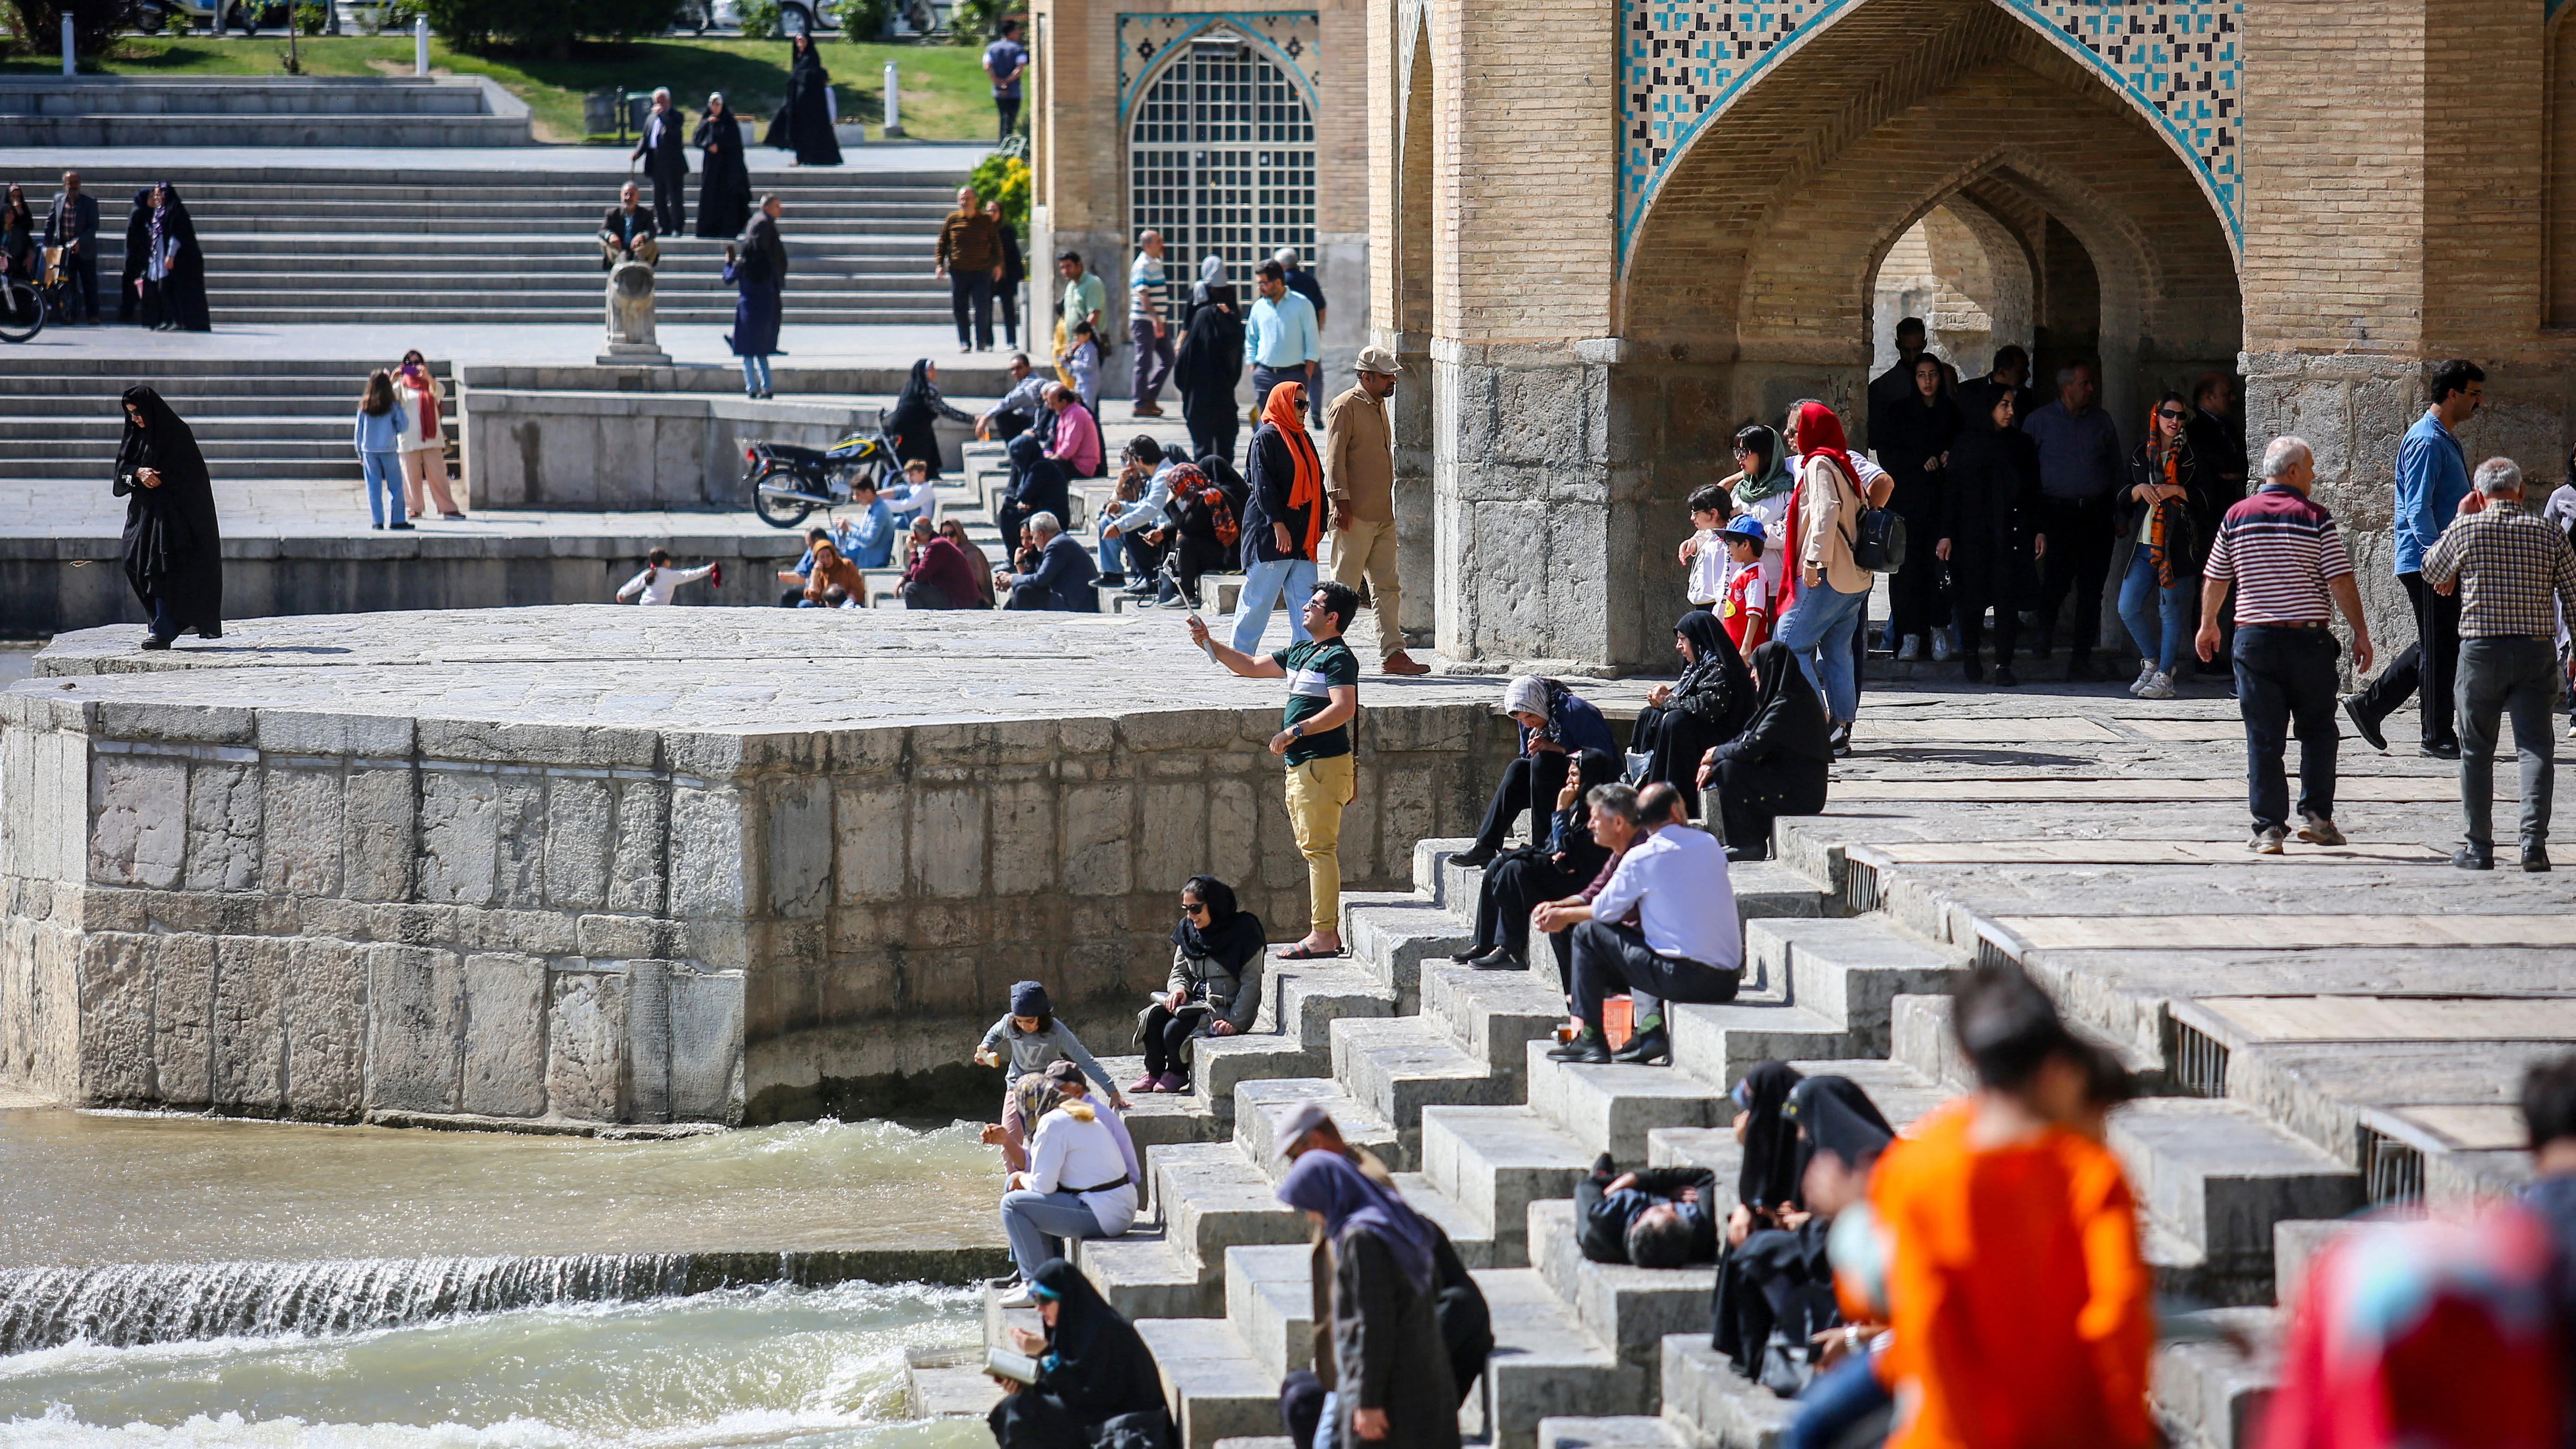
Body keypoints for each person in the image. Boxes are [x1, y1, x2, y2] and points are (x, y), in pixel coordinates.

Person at [1864, 962, 2154, 1449]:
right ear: (2052, 1060)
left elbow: (1919, 1320)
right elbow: (2117, 1317)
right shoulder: (2088, 1174)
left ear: (1965, 1054)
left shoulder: (1912, 1168)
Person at [2196, 436, 2375, 854]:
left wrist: (2208, 625)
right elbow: (2340, 579)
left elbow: (2217, 577)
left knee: (2263, 737)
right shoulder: (2314, 517)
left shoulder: (2236, 516)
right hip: (2306, 640)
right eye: (2310, 468)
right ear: (2292, 472)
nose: (2313, 476)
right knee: (2316, 730)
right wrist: (2359, 631)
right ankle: (2316, 819)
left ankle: (2268, 830)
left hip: (2254, 640)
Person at [1188, 582, 1364, 959]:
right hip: (1303, 765)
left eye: (1314, 605)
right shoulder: (1302, 651)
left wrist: (1294, 731)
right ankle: (1323, 931)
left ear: (1332, 618)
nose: (1305, 608)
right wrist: (1209, 643)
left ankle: (1323, 934)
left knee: (1319, 850)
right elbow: (1250, 667)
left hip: (1321, 763)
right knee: (1313, 848)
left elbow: (1344, 708)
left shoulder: (1338, 658)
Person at [2422, 457, 2576, 872]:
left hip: (2481, 653)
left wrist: (2457, 519)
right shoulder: (2547, 532)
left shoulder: (2467, 528)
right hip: (2534, 650)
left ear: (2478, 494)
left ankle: (2479, 848)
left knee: (2475, 750)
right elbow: (2572, 595)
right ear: (2521, 491)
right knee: (2535, 747)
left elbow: (2430, 568)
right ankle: (2533, 846)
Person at [1710, 1075, 1894, 1391]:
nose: (1800, 1137)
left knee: (1761, 1251)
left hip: (1883, 1323)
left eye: (1803, 1129)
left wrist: (1809, 1225)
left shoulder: (1884, 1170)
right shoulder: (1831, 1157)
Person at [1543, 781, 1743, 1067]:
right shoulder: (1709, 844)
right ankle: (1649, 1032)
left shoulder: (1641, 857)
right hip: (1727, 981)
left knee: (1588, 933)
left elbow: (1604, 913)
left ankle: (1589, 1037)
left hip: (1686, 980)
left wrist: (1563, 917)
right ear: (1676, 811)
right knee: (1649, 941)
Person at [1275, 1148, 1463, 1449]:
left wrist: (1368, 1401)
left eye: (1309, 1205)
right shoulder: (1391, 1219)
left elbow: (1373, 1324)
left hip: (1392, 1396)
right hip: (1422, 1382)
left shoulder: (1361, 1240)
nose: (1311, 1215)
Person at [2345, 359, 2484, 761]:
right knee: (2441, 648)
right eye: (2473, 393)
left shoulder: (2443, 437)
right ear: (2452, 394)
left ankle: (2370, 706)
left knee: (2437, 642)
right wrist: (2438, 559)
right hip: (2429, 561)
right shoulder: (2426, 440)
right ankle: (2435, 735)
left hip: (2440, 558)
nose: (2479, 402)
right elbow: (2417, 510)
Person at [1455, 748, 1620, 971]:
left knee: (1516, 869)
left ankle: (1510, 949)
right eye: (1569, 775)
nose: (1569, 781)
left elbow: (1566, 856)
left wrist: (1561, 811)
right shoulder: (1576, 806)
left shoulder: (1600, 815)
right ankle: (1484, 943)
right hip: (1562, 870)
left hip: (1578, 880)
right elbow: (1552, 846)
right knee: (1497, 865)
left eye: (1575, 776)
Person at [987, 1259, 1174, 1449]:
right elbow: (1067, 1388)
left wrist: (1045, 1354)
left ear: (1067, 1298)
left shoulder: (1106, 1333)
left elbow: (1089, 1396)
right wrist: (1023, 1386)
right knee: (1016, 1407)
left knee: (1021, 1410)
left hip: (1123, 1426)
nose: (1038, 1308)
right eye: (1035, 1299)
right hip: (1094, 1419)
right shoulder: (1070, 1332)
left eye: (1044, 1299)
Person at [1775, 401, 1876, 751]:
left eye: (1794, 428)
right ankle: (1840, 728)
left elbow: (1825, 512)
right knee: (1836, 652)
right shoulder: (1841, 462)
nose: (1788, 436)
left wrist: (1813, 561)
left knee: (1787, 643)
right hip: (1854, 577)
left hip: (1829, 572)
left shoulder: (1819, 463)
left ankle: (1816, 721)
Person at [996, 1062, 1143, 1301]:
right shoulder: (1075, 1112)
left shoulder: (1052, 1123)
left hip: (1104, 1213)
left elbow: (1044, 1186)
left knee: (1013, 1205)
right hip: (1116, 1207)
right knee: (1019, 1193)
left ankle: (1035, 1287)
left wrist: (1021, 1178)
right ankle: (1046, 1278)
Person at [1324, 345, 1426, 676]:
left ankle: (1393, 654)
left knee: (1387, 588)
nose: (1392, 380)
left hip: (1382, 515)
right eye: (1385, 376)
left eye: (1392, 375)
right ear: (1366, 377)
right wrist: (1340, 504)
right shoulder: (1345, 406)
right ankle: (1325, 652)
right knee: (1342, 591)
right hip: (1353, 516)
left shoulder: (1378, 405)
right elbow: (1335, 460)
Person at [2114, 392, 2221, 700]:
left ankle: (2164, 676)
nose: (2174, 421)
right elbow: (2122, 494)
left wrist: (2176, 489)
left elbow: (2207, 499)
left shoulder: (2191, 454)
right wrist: (2138, 490)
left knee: (2170, 610)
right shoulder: (2141, 454)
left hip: (2178, 546)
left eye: (2180, 416)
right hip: (2146, 543)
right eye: (2168, 415)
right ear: (2156, 417)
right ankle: (2153, 662)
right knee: (2128, 605)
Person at [2020, 361, 2123, 678]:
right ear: (2067, 388)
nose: (2091, 389)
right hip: (2055, 514)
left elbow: (2116, 469)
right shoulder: (2038, 422)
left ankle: (2081, 657)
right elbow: (2024, 474)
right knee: (2055, 582)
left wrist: (2120, 514)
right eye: (2085, 384)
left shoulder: (2101, 422)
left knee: (2092, 590)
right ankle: (2043, 635)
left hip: (2095, 514)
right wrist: (2033, 522)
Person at [1939, 385, 2045, 685]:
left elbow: (2033, 490)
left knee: (2006, 601)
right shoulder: (1965, 445)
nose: (2010, 412)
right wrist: (1945, 534)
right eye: (2003, 405)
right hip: (1971, 537)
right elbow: (1951, 494)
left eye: (2011, 405)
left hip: (2010, 534)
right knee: (1971, 601)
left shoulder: (2021, 445)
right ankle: (1971, 654)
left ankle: (2003, 665)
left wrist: (2038, 529)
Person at [1455, 676, 1619, 869]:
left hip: (1591, 781)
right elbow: (1528, 758)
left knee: (1543, 762)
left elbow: (1601, 760)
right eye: (1521, 720)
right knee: (1518, 768)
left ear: (1539, 704)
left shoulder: (1578, 712)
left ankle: (1543, 845)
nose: (1527, 724)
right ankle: (1486, 845)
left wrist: (1557, 749)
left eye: (1529, 717)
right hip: (1552, 778)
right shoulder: (1531, 719)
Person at [1699, 640, 1834, 862]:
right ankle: (1741, 841)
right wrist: (1718, 756)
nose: (1752, 675)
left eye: (1755, 668)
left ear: (1769, 668)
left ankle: (1749, 843)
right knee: (1727, 764)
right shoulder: (1783, 698)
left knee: (1730, 768)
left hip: (1802, 795)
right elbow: (1748, 736)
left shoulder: (1790, 704)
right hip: (1789, 783)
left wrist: (1716, 754)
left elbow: (1753, 747)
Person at [1131, 874, 1267, 1093]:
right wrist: (1178, 989)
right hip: (1194, 1001)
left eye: (1195, 909)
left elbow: (1251, 983)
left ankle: (1176, 1072)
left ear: (1213, 905)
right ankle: (1154, 1072)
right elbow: (1179, 970)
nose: (1190, 915)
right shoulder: (1188, 930)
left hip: (1221, 1007)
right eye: (1186, 908)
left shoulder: (1245, 931)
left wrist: (1235, 1022)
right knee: (1153, 1017)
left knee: (1174, 1030)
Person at [974, 980, 1128, 1172]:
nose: (1024, 1026)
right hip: (1016, 1088)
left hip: (1049, 1091)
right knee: (1009, 1141)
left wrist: (1111, 1090)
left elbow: (1084, 1059)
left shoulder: (1057, 1031)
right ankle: (1015, 1184)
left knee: (1047, 1142)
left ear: (1042, 1016)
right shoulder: (1009, 1023)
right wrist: (985, 1050)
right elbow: (993, 1035)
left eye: (1030, 1021)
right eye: (1019, 1021)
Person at [114, 386, 222, 648]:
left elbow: (192, 477)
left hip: (173, 515)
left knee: (158, 567)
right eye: (130, 415)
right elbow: (121, 473)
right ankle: (160, 623)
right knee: (133, 560)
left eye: (138, 414)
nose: (134, 420)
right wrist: (138, 474)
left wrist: (160, 480)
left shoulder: (177, 434)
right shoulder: (135, 436)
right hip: (142, 513)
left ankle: (162, 630)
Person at [1627, 610, 1756, 820]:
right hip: (1701, 730)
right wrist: (1661, 701)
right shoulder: (1697, 668)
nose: (1679, 647)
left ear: (1698, 639)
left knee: (1676, 721)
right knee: (1649, 715)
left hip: (1721, 736)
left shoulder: (1719, 667)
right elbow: (1685, 697)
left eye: (1683, 640)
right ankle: (1646, 784)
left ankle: (1674, 798)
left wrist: (1668, 701)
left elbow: (1709, 706)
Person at [1232, 381, 1327, 653]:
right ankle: (1240, 656)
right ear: (1283, 404)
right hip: (1271, 534)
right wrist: (1278, 525)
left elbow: (1317, 482)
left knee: (1306, 603)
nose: (1304, 410)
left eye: (1306, 404)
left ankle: (1305, 656)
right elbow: (1263, 485)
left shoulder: (1304, 438)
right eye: (1298, 404)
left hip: (1302, 536)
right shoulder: (1266, 437)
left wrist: (1319, 525)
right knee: (1259, 599)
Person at [1529, 781, 1646, 998]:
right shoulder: (1621, 851)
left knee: (1585, 931)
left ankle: (1587, 1014)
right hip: (1632, 940)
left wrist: (1563, 915)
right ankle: (1577, 999)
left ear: (1619, 823)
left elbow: (1608, 908)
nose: (1590, 825)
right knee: (1565, 926)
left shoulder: (1642, 852)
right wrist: (1557, 905)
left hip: (1650, 948)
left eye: (1596, 819)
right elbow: (1593, 893)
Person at [1878, 353, 1960, 661]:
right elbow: (1888, 455)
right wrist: (1917, 461)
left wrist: (1949, 456)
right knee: (1906, 572)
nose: (1927, 382)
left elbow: (1963, 448)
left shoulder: (1952, 415)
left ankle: (1940, 630)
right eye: (1921, 375)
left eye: (1933, 375)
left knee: (1940, 568)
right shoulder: (1899, 413)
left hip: (1940, 505)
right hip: (1907, 506)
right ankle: (1909, 635)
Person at [1578, 1152, 1718, 1267]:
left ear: (1635, 1228)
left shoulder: (1598, 1222)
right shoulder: (1699, 1236)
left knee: (1604, 1184)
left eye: (1659, 1211)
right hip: (1654, 1197)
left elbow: (1588, 1185)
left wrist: (1635, 1179)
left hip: (1621, 1202)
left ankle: (1604, 1174)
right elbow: (1704, 1177)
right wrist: (1665, 1193)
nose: (1669, 1206)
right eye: (1675, 1213)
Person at [1173, 254, 1246, 462]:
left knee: (1219, 432)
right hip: (1205, 368)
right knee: (1209, 434)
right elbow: (1188, 326)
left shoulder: (1227, 298)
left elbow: (1234, 332)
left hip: (1216, 372)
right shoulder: (1198, 295)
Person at [1155, 448, 1238, 610]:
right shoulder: (1205, 493)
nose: (1176, 492)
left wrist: (1170, 504)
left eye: (1176, 488)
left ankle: (1188, 595)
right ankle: (1173, 589)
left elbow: (1188, 527)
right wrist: (1164, 532)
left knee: (1186, 543)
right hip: (1222, 551)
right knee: (1175, 539)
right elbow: (1191, 523)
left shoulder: (1206, 497)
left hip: (1231, 557)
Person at [1244, 260, 1320, 430]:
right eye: (1259, 284)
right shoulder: (1258, 307)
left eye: (1263, 283)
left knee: (1292, 425)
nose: (1260, 288)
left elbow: (1312, 342)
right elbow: (1251, 339)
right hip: (1265, 376)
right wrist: (1254, 370)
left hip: (1294, 375)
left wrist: (1306, 374)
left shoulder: (1302, 304)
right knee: (1264, 425)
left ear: (1278, 282)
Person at [724, 196, 787, 399]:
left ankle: (752, 388)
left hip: (746, 309)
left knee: (747, 354)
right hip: (765, 307)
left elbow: (728, 278)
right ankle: (767, 387)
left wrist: (728, 262)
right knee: (762, 352)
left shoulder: (743, 265)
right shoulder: (767, 267)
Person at [389, 350, 464, 522]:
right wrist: (392, 380)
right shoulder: (400, 386)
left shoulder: (430, 384)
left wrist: (428, 377)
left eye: (417, 363)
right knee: (410, 477)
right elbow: (387, 400)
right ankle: (414, 508)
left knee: (439, 477)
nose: (414, 366)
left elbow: (440, 393)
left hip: (432, 439)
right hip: (408, 440)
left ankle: (448, 509)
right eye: (410, 363)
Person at [1100, 434, 1175, 593]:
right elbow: (1145, 506)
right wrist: (1121, 507)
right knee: (1116, 523)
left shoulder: (1164, 477)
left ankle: (1152, 579)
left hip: (1171, 532)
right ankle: (1136, 575)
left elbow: (1150, 509)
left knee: (1131, 532)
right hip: (1162, 528)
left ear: (1140, 460)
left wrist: (1119, 526)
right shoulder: (1158, 475)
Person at [933, 188, 1003, 354]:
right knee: (960, 308)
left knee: (982, 307)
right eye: (962, 199)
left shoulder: (986, 220)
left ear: (975, 200)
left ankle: (981, 342)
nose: (965, 202)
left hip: (982, 271)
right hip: (959, 271)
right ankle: (965, 341)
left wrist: (998, 265)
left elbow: (996, 244)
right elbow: (943, 242)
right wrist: (939, 264)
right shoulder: (953, 219)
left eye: (968, 199)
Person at [137, 183, 207, 333]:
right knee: (162, 290)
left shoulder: (175, 212)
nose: (156, 198)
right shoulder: (159, 212)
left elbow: (177, 236)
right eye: (155, 195)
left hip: (175, 259)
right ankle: (167, 319)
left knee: (168, 289)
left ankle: (178, 320)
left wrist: (170, 255)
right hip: (159, 258)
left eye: (159, 194)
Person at [996, 511, 1100, 612]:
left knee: (1024, 593)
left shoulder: (1056, 546)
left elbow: (1040, 579)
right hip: (1072, 600)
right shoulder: (1061, 541)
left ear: (1041, 534)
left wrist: (1012, 579)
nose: (1033, 542)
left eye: (1033, 536)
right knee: (1023, 590)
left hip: (1076, 604)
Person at [884, 359, 971, 477]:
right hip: (907, 429)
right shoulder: (924, 391)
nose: (934, 373)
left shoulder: (917, 387)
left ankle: (930, 473)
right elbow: (944, 410)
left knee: (928, 448)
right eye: (931, 370)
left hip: (918, 426)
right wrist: (970, 419)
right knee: (907, 456)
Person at [1274, 249, 1329, 427]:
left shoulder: (1280, 285)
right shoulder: (1310, 281)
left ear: (1282, 266)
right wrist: (1317, 331)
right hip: (1309, 336)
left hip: (1288, 339)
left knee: (1288, 375)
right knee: (1315, 376)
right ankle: (1315, 412)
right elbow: (1322, 308)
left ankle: (1288, 411)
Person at [770, 32, 842, 166]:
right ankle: (800, 157)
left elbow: (811, 81)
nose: (800, 45)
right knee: (795, 130)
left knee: (810, 132)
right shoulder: (798, 59)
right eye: (798, 42)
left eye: (802, 41)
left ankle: (809, 157)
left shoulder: (812, 59)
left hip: (811, 106)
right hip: (796, 104)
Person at [1126, 230, 1175, 417]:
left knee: (1168, 358)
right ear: (1148, 245)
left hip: (1157, 321)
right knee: (1144, 362)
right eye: (1158, 241)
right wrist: (1156, 320)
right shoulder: (1143, 265)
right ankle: (1140, 402)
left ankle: (1149, 397)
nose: (1162, 245)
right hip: (1145, 321)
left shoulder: (1156, 263)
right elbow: (1143, 295)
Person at [353, 370, 407, 532]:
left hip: (369, 450)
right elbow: (404, 426)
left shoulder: (365, 405)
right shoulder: (392, 406)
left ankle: (377, 521)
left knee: (373, 487)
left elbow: (358, 431)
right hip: (388, 448)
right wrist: (393, 430)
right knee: (395, 486)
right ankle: (397, 520)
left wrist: (359, 452)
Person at [693, 93, 753, 241]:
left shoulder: (729, 122)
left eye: (718, 105)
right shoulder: (706, 121)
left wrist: (720, 146)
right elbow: (697, 138)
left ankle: (728, 229)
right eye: (713, 105)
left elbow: (735, 144)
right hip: (712, 169)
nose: (715, 108)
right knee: (710, 197)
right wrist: (708, 143)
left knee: (728, 199)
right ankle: (708, 229)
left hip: (728, 168)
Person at [1000, 431, 1070, 552]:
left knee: (1009, 516)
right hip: (1037, 509)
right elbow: (1012, 490)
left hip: (1053, 516)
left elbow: (1024, 495)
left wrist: (1017, 502)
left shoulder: (1041, 467)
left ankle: (1015, 556)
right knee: (1008, 511)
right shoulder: (1029, 466)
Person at [44, 170, 98, 326]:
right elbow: (51, 222)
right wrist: (48, 243)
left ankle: (93, 315)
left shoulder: (90, 202)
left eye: (76, 183)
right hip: (65, 251)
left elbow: (94, 226)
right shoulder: (58, 200)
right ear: (65, 185)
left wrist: (80, 241)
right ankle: (70, 315)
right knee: (69, 285)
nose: (73, 186)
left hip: (85, 250)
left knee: (90, 284)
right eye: (70, 183)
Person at [630, 88, 687, 235]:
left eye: (661, 102)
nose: (658, 105)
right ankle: (664, 226)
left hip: (673, 163)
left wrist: (663, 116)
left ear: (668, 102)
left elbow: (674, 132)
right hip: (655, 162)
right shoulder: (651, 118)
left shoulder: (676, 116)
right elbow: (646, 138)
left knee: (675, 198)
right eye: (656, 102)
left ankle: (677, 227)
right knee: (658, 198)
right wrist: (638, 152)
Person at [896, 516, 980, 609]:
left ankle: (919, 621)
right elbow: (926, 570)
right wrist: (905, 577)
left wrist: (913, 552)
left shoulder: (937, 546)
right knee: (913, 586)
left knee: (911, 589)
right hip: (958, 597)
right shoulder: (938, 543)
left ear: (915, 534)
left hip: (961, 602)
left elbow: (918, 577)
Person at [1716, 519, 1773, 655]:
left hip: (1747, 650)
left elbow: (1754, 614)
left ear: (1746, 545)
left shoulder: (1756, 575)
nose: (1728, 550)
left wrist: (1746, 646)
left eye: (1730, 544)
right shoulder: (1742, 572)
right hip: (1734, 646)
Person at [1679, 483, 1733, 610]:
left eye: (1696, 513)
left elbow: (1723, 587)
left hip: (1714, 610)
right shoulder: (1712, 537)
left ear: (1713, 514)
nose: (1692, 518)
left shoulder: (1723, 545)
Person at [979, 353, 1052, 443]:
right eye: (1013, 369)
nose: (1015, 373)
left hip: (1040, 425)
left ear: (1028, 367)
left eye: (1019, 368)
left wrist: (986, 417)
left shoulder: (1031, 385)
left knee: (1003, 417)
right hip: (1035, 420)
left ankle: (1015, 448)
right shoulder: (1030, 381)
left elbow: (1008, 402)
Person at [1043, 379, 1103, 479]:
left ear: (1064, 402)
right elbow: (1053, 441)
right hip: (1068, 461)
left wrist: (1054, 458)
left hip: (1080, 467)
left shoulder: (1076, 415)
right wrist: (1048, 455)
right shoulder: (1065, 413)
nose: (1051, 407)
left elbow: (1069, 447)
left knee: (1040, 468)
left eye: (1053, 404)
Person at [1056, 250, 1106, 368]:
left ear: (1079, 265)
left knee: (1088, 384)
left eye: (1069, 266)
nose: (1065, 271)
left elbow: (1094, 316)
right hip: (1075, 347)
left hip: (1089, 346)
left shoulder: (1093, 284)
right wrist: (1069, 348)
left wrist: (1078, 343)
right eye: (1062, 268)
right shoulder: (1070, 286)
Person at [782, 534, 862, 607]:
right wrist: (815, 576)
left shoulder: (846, 565)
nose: (826, 560)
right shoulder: (817, 570)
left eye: (828, 556)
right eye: (822, 557)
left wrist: (850, 600)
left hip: (845, 603)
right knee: (804, 604)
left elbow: (857, 588)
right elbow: (813, 597)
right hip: (826, 605)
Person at [617, 547, 718, 605]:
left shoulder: (648, 573)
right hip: (661, 608)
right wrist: (709, 569)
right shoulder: (671, 575)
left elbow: (634, 584)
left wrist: (623, 593)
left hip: (645, 605)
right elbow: (691, 574)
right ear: (666, 562)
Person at [598, 180, 659, 270]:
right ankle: (620, 262)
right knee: (604, 242)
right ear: (621, 196)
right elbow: (602, 230)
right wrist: (610, 235)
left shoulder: (646, 213)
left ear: (638, 197)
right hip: (619, 250)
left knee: (652, 243)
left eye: (632, 195)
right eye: (626, 194)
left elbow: (652, 230)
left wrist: (643, 236)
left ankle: (641, 264)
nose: (628, 198)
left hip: (638, 250)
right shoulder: (613, 213)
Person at [984, 18, 1030, 139]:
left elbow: (987, 66)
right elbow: (1019, 69)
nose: (1019, 34)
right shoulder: (1018, 49)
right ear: (1010, 33)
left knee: (1003, 116)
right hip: (1014, 91)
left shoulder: (992, 48)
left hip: (999, 91)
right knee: (1011, 118)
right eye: (1017, 31)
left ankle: (1002, 141)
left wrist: (998, 81)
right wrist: (1008, 81)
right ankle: (1007, 142)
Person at [942, 516, 998, 607]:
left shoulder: (972, 553)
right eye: (944, 535)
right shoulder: (943, 553)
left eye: (952, 534)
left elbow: (977, 583)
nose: (948, 538)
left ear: (959, 534)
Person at [113, 187, 148, 326]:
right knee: (132, 289)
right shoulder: (138, 213)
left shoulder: (146, 212)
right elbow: (133, 238)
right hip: (135, 258)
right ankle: (127, 314)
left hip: (139, 257)